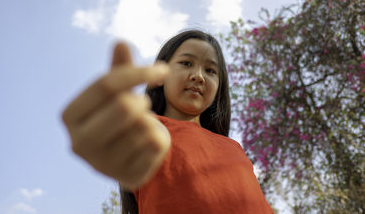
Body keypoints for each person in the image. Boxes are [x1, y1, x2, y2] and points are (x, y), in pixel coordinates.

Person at [61, 29, 274, 214]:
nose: (198, 76)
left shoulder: (234, 147)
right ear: (161, 74)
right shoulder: (153, 129)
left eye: (210, 70)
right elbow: (146, 138)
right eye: (186, 63)